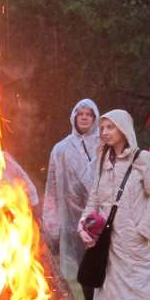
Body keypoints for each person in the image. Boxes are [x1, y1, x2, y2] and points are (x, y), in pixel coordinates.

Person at [79, 109, 150, 300]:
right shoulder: (103, 158)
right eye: (102, 128)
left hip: (136, 240)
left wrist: (144, 229)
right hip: (108, 241)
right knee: (108, 296)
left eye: (110, 127)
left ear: (123, 129)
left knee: (143, 292)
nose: (104, 132)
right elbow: (93, 198)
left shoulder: (143, 159)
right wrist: (85, 225)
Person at [42, 99, 100, 279]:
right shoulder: (61, 149)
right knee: (83, 269)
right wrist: (52, 220)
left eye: (88, 114)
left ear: (95, 117)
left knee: (104, 267)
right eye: (80, 114)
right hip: (73, 220)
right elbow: (51, 186)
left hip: (101, 215)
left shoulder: (104, 143)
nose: (84, 118)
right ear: (74, 117)